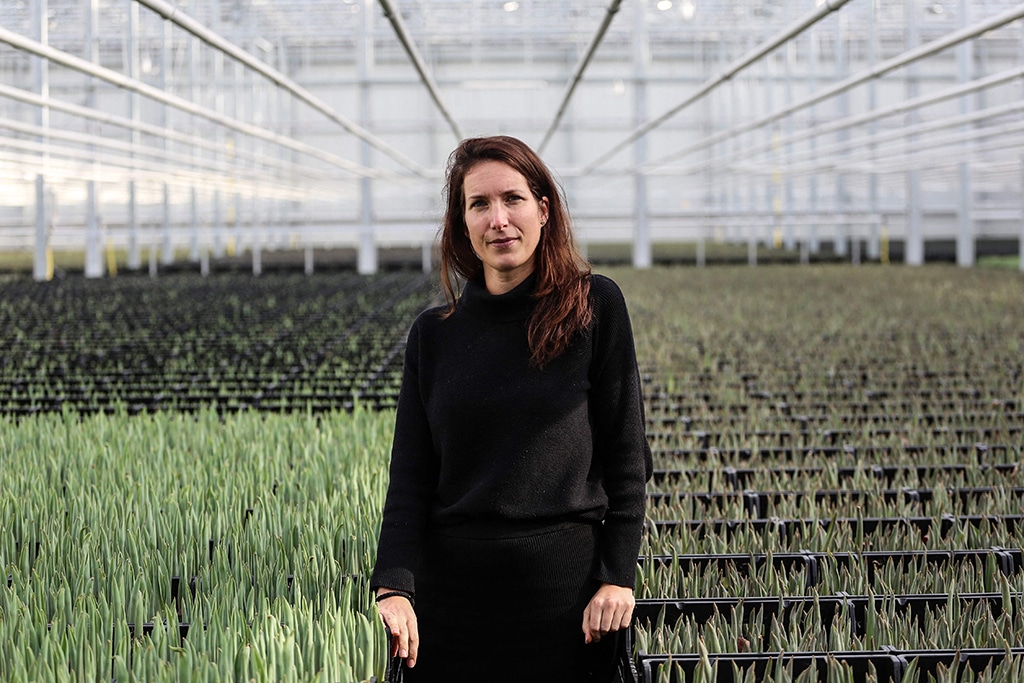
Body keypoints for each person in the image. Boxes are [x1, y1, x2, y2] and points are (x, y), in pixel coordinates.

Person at [370, 135, 652, 682]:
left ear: (544, 211)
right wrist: (394, 585)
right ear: (462, 223)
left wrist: (617, 576)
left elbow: (628, 455)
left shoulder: (594, 308)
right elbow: (410, 473)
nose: (498, 219)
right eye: (479, 204)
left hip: (567, 597)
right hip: (452, 601)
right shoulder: (434, 334)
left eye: (513, 199)